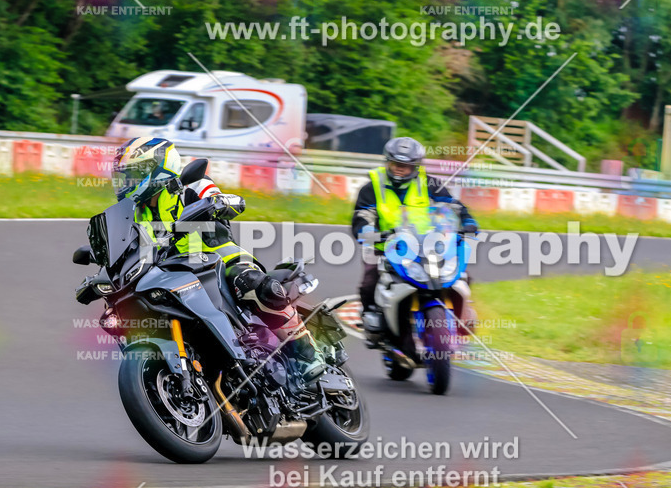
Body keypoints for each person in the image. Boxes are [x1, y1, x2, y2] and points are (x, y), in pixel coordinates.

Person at [111, 136, 325, 379]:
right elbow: (127, 248)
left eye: (133, 174)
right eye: (123, 176)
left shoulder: (191, 186)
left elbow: (228, 201)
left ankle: (307, 353)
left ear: (159, 167)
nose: (126, 182)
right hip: (174, 274)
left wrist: (220, 202)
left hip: (220, 259)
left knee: (252, 284)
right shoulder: (136, 215)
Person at [350, 136, 478, 337]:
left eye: (405, 166)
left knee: (462, 274)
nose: (400, 169)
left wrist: (468, 222)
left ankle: (463, 312)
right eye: (395, 164)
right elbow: (362, 215)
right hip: (385, 246)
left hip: (426, 245)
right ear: (387, 163)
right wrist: (368, 233)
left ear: (416, 167)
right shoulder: (372, 188)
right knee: (369, 281)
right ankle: (371, 318)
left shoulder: (430, 184)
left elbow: (453, 205)